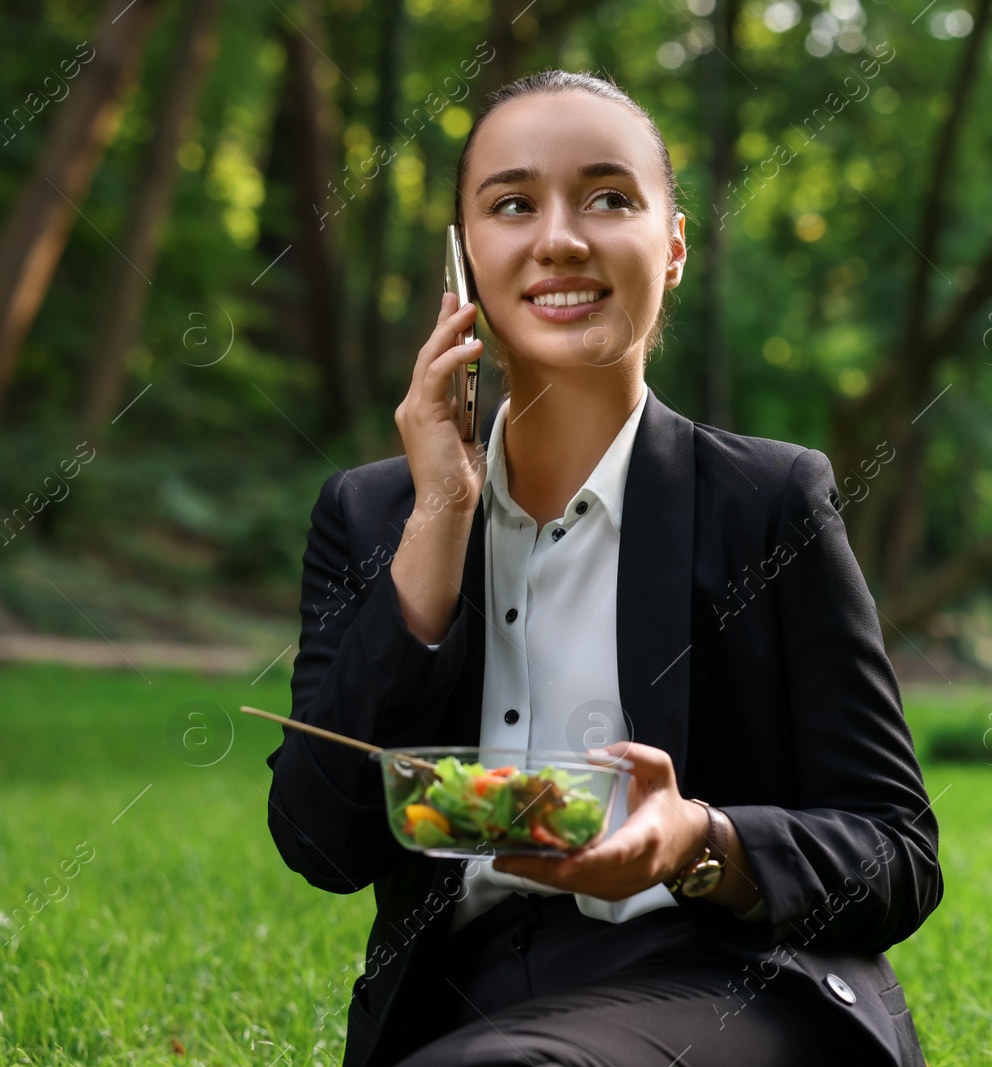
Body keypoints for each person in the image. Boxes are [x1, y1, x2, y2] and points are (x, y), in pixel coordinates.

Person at [264, 69, 942, 1067]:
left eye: (608, 197)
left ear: (670, 247)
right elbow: (323, 841)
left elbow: (896, 851)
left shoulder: (769, 500)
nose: (560, 237)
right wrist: (442, 517)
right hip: (466, 990)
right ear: (463, 259)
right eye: (511, 203)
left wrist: (699, 841)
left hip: (724, 973)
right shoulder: (374, 511)